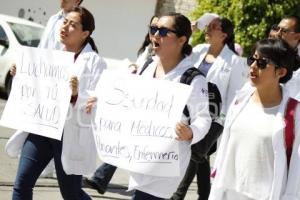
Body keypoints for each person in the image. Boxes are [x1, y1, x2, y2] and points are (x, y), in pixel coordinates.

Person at [8, 6, 106, 200]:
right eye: (65, 22)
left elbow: (96, 102)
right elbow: (34, 87)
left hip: (68, 133)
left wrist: (76, 94)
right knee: (22, 184)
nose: (65, 27)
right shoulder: (49, 57)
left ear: (85, 33)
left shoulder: (95, 62)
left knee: (71, 193)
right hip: (42, 127)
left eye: (73, 25)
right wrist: (21, 74)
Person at [127, 12, 211, 200]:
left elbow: (203, 118)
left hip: (165, 165)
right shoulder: (148, 65)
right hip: (140, 156)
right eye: (153, 29)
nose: (156, 35)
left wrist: (191, 132)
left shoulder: (192, 78)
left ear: (182, 40)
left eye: (164, 31)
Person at [209, 38, 300, 200]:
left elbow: (296, 168)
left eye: (262, 63)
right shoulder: (239, 102)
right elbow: (224, 150)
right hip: (228, 193)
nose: (252, 66)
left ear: (281, 72)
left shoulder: (294, 113)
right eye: (252, 59)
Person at [171, 14, 248, 200]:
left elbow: (233, 97)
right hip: (189, 112)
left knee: (194, 153)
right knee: (200, 155)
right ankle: (204, 194)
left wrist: (220, 124)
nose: (208, 28)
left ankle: (177, 195)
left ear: (224, 35)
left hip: (214, 118)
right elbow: (178, 53)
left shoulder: (234, 61)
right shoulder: (198, 50)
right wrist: (192, 29)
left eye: (213, 26)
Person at [83, 15, 159, 195]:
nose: (154, 32)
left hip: (148, 109)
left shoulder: (164, 55)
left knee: (128, 144)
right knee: (124, 142)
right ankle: (101, 178)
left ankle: (102, 178)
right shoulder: (146, 50)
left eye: (159, 28)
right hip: (132, 103)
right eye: (152, 27)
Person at [38, 0, 84, 179]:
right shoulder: (53, 19)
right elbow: (43, 46)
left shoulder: (79, 22)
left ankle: (53, 166)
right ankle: (42, 160)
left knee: (57, 124)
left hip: (61, 76)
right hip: (45, 74)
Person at [269, 15, 300, 100]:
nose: (278, 34)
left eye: (284, 31)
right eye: (278, 29)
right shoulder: (269, 53)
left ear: (297, 37)